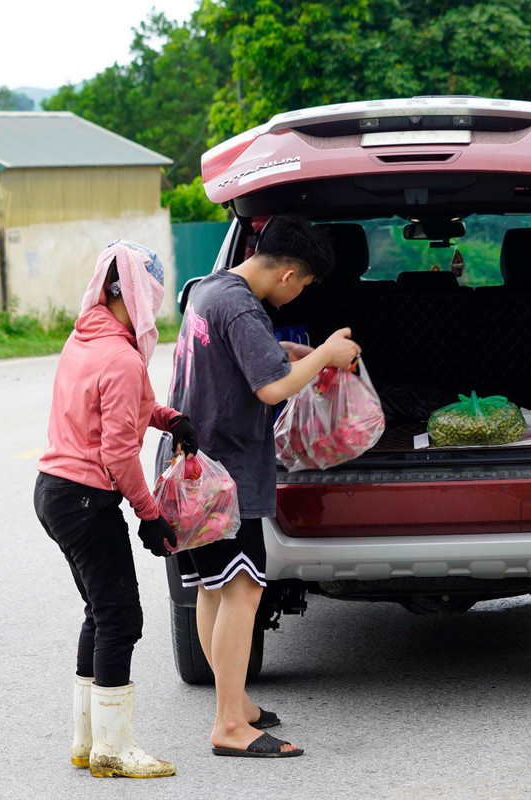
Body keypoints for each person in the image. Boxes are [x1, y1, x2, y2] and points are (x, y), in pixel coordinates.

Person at [167, 215, 360, 758]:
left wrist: (284, 351)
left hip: (192, 466)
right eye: (304, 285)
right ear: (289, 274)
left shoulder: (211, 289)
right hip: (224, 473)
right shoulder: (243, 307)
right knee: (243, 589)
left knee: (213, 587)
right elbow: (273, 389)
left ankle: (236, 704)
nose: (299, 294)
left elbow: (244, 359)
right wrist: (324, 354)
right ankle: (230, 725)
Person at [34, 240, 198, 779]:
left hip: (54, 492)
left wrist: (171, 419)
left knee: (99, 612)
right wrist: (150, 515)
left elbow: (127, 407)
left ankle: (87, 742)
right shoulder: (123, 358)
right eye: (150, 293)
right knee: (121, 617)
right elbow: (119, 454)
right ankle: (115, 748)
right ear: (134, 294)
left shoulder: (86, 337)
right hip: (85, 499)